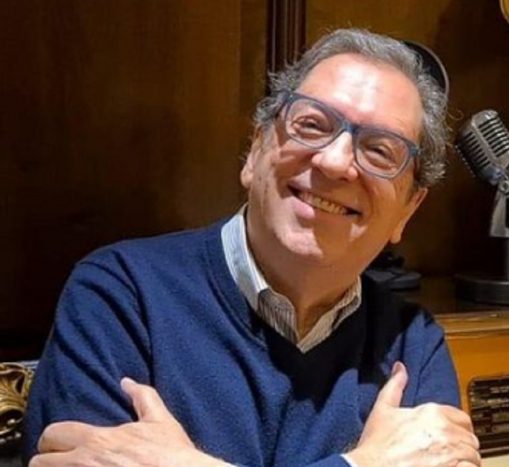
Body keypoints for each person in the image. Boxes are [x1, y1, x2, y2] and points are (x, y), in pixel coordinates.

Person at [23, 28, 481, 467]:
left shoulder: (412, 345)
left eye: (380, 150)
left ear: (408, 209)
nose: (334, 161)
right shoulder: (119, 297)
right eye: (312, 125)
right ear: (255, 150)